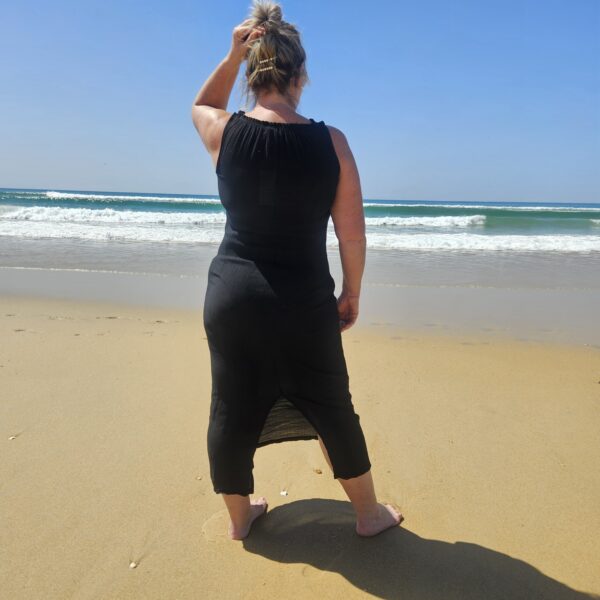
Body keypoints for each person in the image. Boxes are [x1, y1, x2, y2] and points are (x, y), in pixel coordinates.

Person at [191, 0, 403, 541]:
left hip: (233, 296)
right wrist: (352, 292)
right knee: (331, 405)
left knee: (230, 406)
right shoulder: (332, 143)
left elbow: (202, 103)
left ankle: (240, 518)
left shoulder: (224, 132)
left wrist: (231, 55)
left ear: (253, 71)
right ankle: (368, 515)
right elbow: (351, 234)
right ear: (300, 74)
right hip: (304, 301)